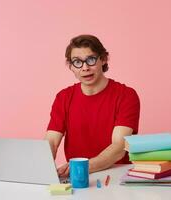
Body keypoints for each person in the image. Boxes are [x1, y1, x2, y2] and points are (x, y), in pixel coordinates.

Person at [45, 34, 140, 178]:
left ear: (103, 59)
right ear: (70, 66)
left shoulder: (126, 95)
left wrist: (82, 166)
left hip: (116, 176)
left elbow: (119, 148)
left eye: (91, 60)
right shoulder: (63, 97)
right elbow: (51, 141)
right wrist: (40, 169)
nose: (85, 68)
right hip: (77, 176)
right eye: (77, 62)